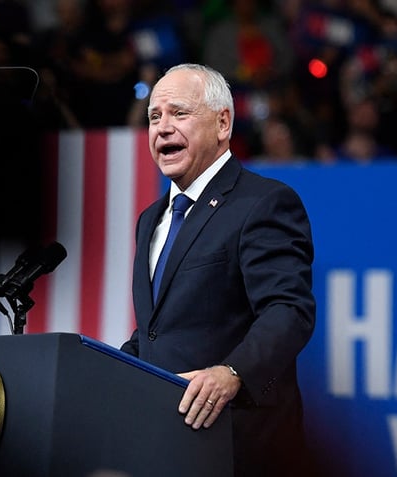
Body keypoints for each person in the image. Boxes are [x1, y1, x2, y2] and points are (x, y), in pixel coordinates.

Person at [119, 63, 317, 477]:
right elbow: (160, 330)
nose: (163, 128)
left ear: (223, 122)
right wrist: (107, 369)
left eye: (179, 113)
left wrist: (231, 373)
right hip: (164, 447)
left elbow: (288, 310)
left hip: (240, 447)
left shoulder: (263, 203)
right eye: (155, 117)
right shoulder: (150, 219)